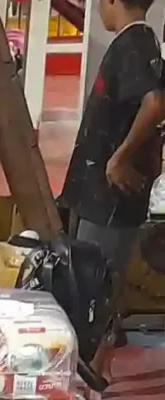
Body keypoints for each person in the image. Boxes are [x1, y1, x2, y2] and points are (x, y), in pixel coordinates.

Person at [61, 0, 165, 378]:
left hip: (111, 195)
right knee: (97, 280)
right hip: (98, 191)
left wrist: (120, 158)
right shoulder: (134, 43)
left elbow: (155, 104)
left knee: (97, 284)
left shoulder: (136, 43)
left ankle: (93, 371)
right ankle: (93, 366)